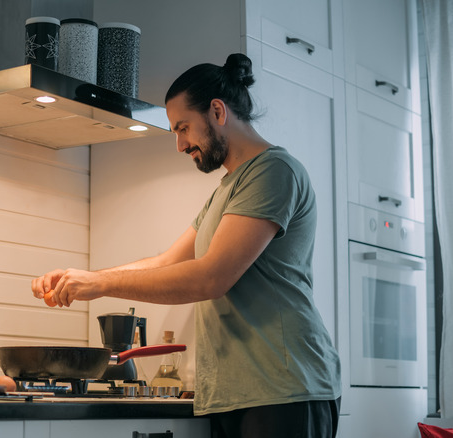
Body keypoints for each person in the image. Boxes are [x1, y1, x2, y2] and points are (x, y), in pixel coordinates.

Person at [31, 53, 342, 438]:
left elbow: (210, 277)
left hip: (284, 388)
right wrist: (85, 278)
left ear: (217, 111)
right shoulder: (227, 190)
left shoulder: (274, 170)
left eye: (183, 128)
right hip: (238, 393)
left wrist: (99, 286)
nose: (179, 145)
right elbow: (167, 262)